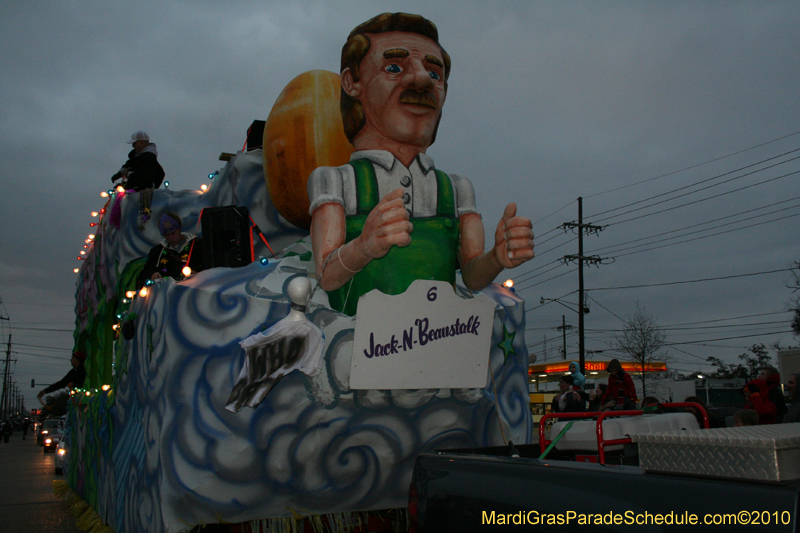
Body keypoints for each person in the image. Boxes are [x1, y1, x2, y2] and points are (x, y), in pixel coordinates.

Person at [307, 12, 535, 316]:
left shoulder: (456, 189)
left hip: (436, 339)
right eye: (393, 67)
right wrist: (363, 247)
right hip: (359, 341)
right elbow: (326, 277)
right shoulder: (335, 181)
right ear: (352, 83)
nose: (422, 79)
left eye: (435, 74)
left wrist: (497, 258)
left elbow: (471, 277)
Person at [138, 212, 204, 288]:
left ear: (180, 228)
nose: (171, 238)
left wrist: (197, 273)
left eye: (173, 233)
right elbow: (144, 273)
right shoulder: (157, 252)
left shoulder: (197, 245)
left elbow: (209, 268)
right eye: (167, 235)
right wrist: (152, 275)